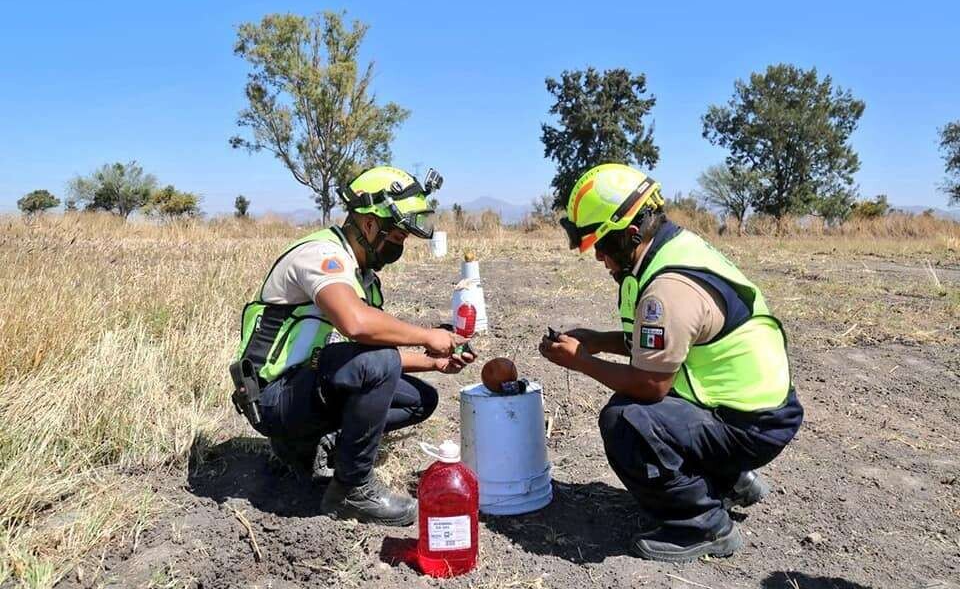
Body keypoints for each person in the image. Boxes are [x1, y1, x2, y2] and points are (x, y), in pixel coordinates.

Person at [539, 163, 803, 561]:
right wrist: (597, 341)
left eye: (604, 244)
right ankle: (730, 479)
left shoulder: (667, 289)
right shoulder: (672, 249)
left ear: (632, 234)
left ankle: (703, 524)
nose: (598, 256)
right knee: (648, 411)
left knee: (626, 420)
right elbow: (660, 345)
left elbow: (651, 384)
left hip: (752, 425)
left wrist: (580, 361)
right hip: (755, 408)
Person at [231, 166, 474, 527]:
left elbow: (379, 354)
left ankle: (314, 444)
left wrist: (435, 363)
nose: (400, 246)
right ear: (371, 225)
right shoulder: (321, 255)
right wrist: (427, 336)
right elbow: (357, 326)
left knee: (420, 399)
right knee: (378, 363)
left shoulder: (363, 278)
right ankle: (351, 489)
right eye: (397, 236)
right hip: (271, 396)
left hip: (303, 386)